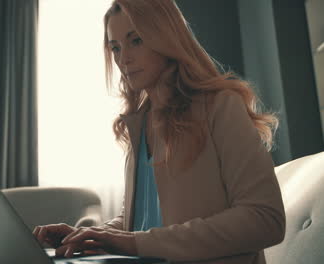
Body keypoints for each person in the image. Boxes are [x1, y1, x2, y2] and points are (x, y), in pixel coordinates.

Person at [33, 0, 286, 263]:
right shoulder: (138, 123)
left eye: (136, 41)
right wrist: (87, 235)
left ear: (165, 37)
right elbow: (142, 222)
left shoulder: (221, 105)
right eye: (115, 47)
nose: (123, 59)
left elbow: (265, 219)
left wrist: (130, 242)